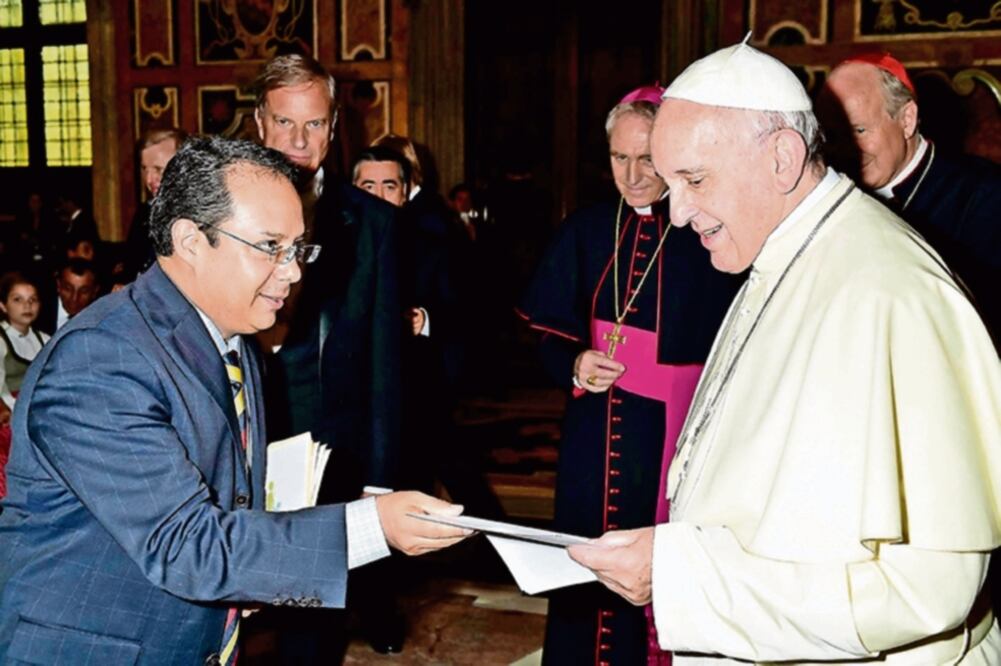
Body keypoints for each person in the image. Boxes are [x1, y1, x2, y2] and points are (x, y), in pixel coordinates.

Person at [569, 40, 1001, 664]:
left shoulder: (890, 292)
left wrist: (687, 582)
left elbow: (927, 593)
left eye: (693, 180)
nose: (678, 212)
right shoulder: (781, 254)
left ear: (782, 157)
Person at [0, 136, 469, 664]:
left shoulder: (232, 338)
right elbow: (187, 545)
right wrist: (371, 526)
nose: (293, 272)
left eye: (298, 249)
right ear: (192, 241)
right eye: (271, 248)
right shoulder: (101, 359)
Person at [519, 85, 740, 665]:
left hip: (680, 430)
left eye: (648, 158)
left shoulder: (710, 230)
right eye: (620, 158)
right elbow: (541, 327)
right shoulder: (587, 229)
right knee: (585, 560)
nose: (634, 174)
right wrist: (572, 360)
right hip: (596, 430)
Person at [252, 54, 406, 657]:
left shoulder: (371, 224)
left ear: (335, 125)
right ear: (260, 123)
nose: (297, 140)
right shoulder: (211, 210)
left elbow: (385, 362)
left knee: (310, 620)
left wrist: (380, 479)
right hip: (231, 436)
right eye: (284, 123)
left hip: (326, 449)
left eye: (312, 125)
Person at [817, 52, 1001, 344]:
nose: (846, 150)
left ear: (907, 119)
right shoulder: (825, 194)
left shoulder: (985, 196)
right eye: (833, 135)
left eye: (859, 130)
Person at [0, 273, 49, 500]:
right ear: (3, 305)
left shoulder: (45, 339)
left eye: (33, 299)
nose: (27, 305)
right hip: (10, 411)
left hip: (40, 411)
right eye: (17, 300)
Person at [124, 127, 188, 279]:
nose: (148, 180)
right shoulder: (144, 214)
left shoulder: (201, 217)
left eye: (158, 169)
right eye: (144, 169)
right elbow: (131, 268)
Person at [35, 258, 99, 335]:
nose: (74, 298)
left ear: (95, 292)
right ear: (58, 286)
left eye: (83, 291)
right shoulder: (37, 313)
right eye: (68, 289)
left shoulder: (98, 321)